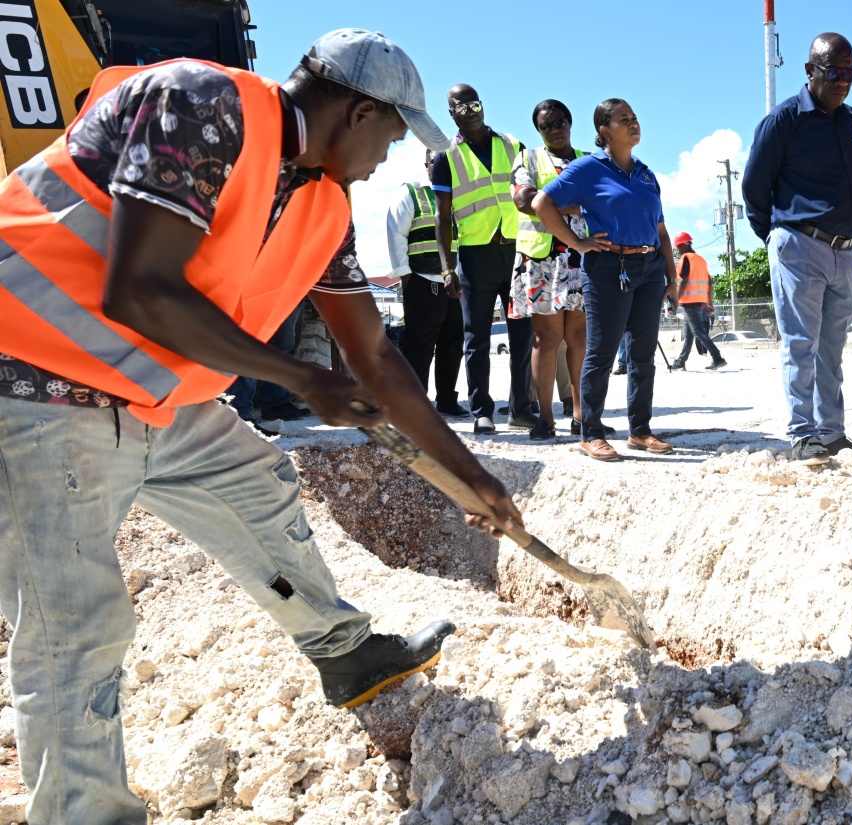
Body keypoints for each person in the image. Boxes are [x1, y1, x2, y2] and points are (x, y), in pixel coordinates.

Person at [0, 30, 523, 825]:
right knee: (75, 627)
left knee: (258, 487)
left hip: (150, 398)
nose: (391, 155)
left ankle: (343, 653)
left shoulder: (321, 202)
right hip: (37, 379)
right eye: (392, 132)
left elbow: (376, 356)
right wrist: (299, 377)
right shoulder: (200, 105)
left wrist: (469, 476)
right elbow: (140, 289)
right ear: (357, 112)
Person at [742, 33, 852, 465]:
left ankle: (832, 434)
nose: (843, 81)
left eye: (850, 72)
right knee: (801, 344)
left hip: (846, 253)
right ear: (809, 70)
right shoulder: (785, 119)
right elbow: (754, 188)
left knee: (832, 349)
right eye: (834, 71)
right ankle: (802, 434)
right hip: (800, 245)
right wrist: (780, 238)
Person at [532, 98, 680, 461]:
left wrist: (671, 275)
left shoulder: (646, 174)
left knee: (643, 355)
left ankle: (640, 431)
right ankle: (591, 432)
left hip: (647, 270)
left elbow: (660, 229)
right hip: (608, 268)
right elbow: (541, 203)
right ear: (604, 131)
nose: (633, 123)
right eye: (623, 119)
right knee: (600, 352)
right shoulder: (587, 169)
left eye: (635, 117)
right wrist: (577, 242)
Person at [431, 84, 534, 435]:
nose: (471, 110)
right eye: (462, 106)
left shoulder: (512, 145)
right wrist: (447, 268)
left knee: (523, 332)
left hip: (518, 250)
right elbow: (442, 218)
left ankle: (520, 407)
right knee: (476, 338)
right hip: (475, 256)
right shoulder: (444, 157)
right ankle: (481, 411)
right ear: (452, 113)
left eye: (475, 103)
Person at [510, 100, 588, 441]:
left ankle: (581, 415)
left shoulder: (589, 160)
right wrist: (575, 206)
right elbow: (524, 201)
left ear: (570, 122)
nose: (555, 129)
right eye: (546, 126)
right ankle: (545, 418)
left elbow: (608, 200)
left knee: (580, 340)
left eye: (559, 122)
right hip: (542, 261)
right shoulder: (528, 158)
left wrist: (548, 204)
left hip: (582, 259)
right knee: (546, 339)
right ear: (538, 131)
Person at [386, 149, 468, 417]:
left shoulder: (459, 196)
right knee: (419, 346)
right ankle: (414, 404)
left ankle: (446, 401)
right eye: (436, 162)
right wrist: (406, 276)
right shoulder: (411, 193)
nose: (442, 166)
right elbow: (396, 234)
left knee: (452, 344)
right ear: (426, 165)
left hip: (452, 283)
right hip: (421, 281)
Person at [226, 301, 309, 421]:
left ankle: (275, 403)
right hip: (270, 291)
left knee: (287, 345)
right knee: (251, 347)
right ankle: (240, 411)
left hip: (296, 291)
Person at [671, 232, 726, 370]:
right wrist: (709, 302)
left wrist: (675, 299)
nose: (678, 250)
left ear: (683, 245)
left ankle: (717, 357)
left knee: (698, 331)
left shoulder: (686, 258)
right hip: (699, 301)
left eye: (678, 247)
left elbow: (683, 281)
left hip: (689, 301)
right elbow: (709, 282)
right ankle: (681, 360)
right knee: (689, 333)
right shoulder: (701, 260)